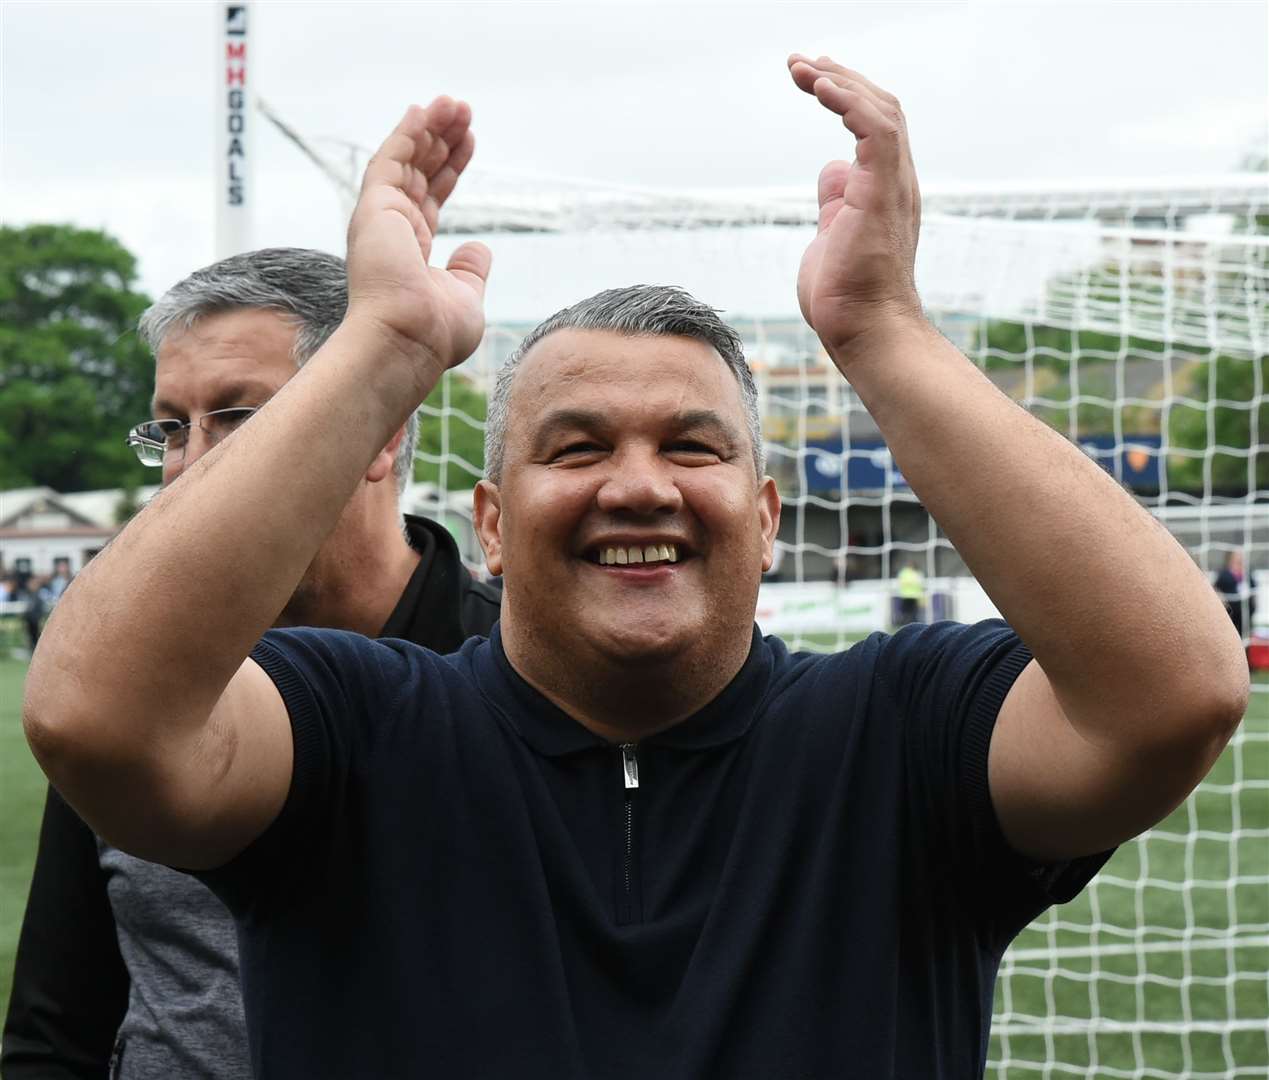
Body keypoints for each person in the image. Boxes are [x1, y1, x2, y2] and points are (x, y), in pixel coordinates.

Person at [21, 57, 1248, 1079]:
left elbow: (1172, 693)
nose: (640, 483)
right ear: (491, 525)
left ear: (767, 518)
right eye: (579, 447)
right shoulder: (350, 729)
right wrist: (386, 346)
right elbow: (98, 717)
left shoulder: (902, 733)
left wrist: (884, 331)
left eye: (693, 446)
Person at [2, 249, 500, 1078]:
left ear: (377, 432)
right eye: (170, 427)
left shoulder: (523, 671)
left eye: (237, 418)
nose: (191, 465)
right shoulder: (130, 683)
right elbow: (56, 1033)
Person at [1215, 549, 1256, 641]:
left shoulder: (1248, 574)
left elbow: (1254, 592)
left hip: (1246, 616)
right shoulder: (1224, 575)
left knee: (1245, 640)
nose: (1240, 558)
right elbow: (1217, 590)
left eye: (1241, 556)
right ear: (1230, 558)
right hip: (1231, 616)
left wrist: (1253, 608)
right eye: (1237, 556)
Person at [895, 559, 926, 626]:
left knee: (914, 614)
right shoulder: (904, 572)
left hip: (915, 596)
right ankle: (904, 625)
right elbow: (901, 582)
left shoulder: (918, 573)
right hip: (906, 596)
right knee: (905, 613)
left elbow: (921, 585)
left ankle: (913, 626)